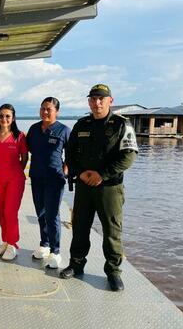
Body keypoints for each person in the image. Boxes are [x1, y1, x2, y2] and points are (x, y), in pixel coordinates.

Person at [59, 84, 138, 291]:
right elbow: (71, 153)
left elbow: (129, 156)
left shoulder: (122, 124)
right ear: (88, 102)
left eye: (101, 98)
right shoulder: (82, 124)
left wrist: (101, 175)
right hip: (84, 186)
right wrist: (80, 173)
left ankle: (113, 272)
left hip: (110, 188)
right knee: (80, 227)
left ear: (110, 100)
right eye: (93, 98)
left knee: (112, 231)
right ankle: (76, 264)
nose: (97, 102)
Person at [27, 97, 70, 269]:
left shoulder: (64, 130)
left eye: (49, 109)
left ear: (56, 111)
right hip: (37, 177)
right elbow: (28, 148)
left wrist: (64, 173)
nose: (45, 112)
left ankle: (55, 251)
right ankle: (44, 245)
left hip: (55, 179)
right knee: (41, 213)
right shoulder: (34, 129)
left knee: (52, 215)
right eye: (43, 108)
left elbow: (72, 155)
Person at [0, 104, 28, 261]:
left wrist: (16, 172)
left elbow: (24, 158)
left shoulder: (19, 136)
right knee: (1, 211)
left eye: (7, 116)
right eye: (1, 116)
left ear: (13, 118)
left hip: (15, 179)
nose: (4, 119)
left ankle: (13, 244)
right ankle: (5, 241)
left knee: (10, 212)